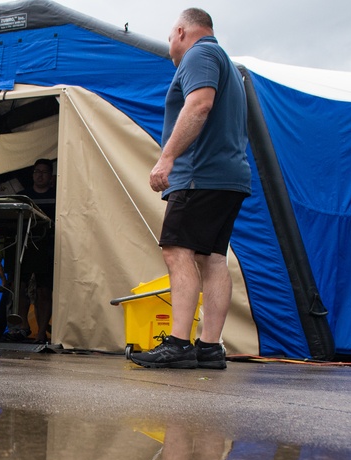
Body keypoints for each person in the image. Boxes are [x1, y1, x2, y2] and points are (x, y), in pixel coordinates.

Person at [130, 8, 251, 370]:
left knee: (176, 251)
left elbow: (199, 103)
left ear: (181, 31)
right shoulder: (224, 61)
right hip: (229, 177)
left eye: (170, 38)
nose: (170, 46)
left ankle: (180, 344)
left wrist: (166, 158)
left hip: (200, 175)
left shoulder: (200, 54)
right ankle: (210, 347)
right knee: (212, 258)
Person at [0, 158, 56, 344]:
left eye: (44, 172)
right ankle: (22, 328)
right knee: (19, 288)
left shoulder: (58, 196)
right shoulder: (22, 197)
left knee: (44, 291)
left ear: (51, 176)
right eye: (36, 171)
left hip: (47, 248)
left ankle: (41, 333)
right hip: (22, 246)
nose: (39, 175)